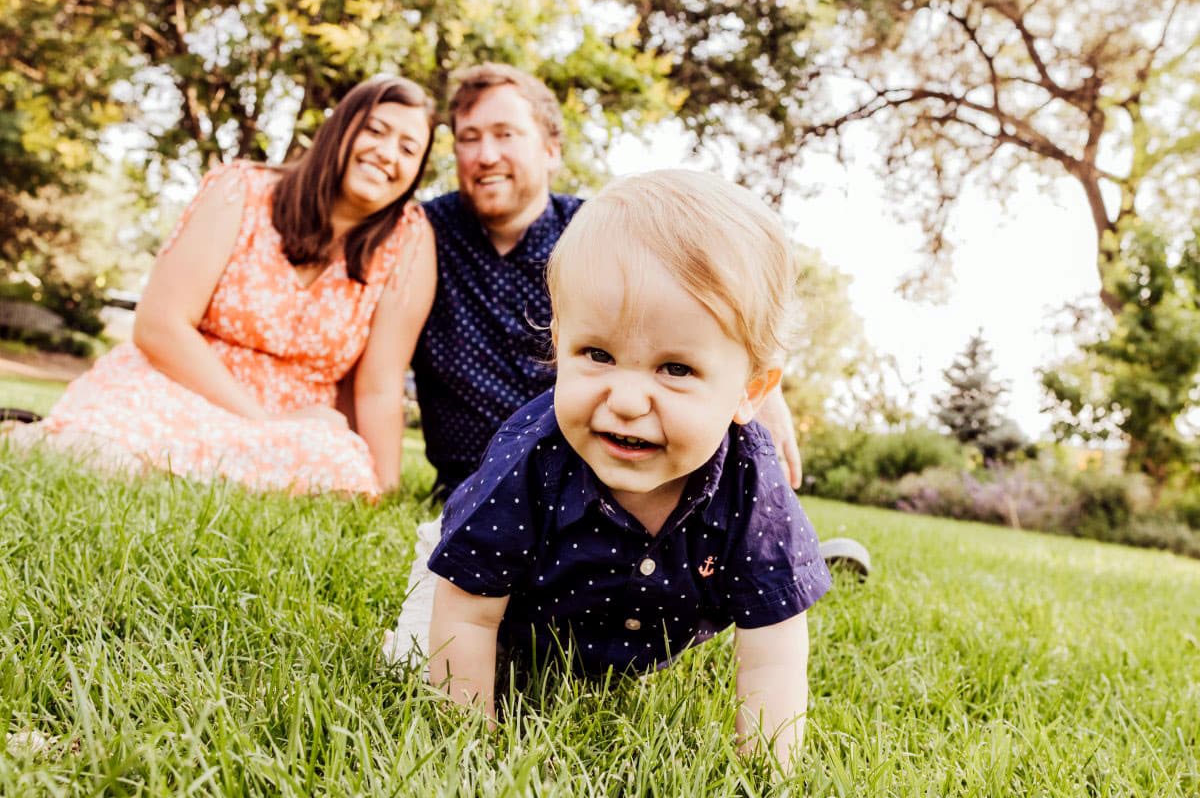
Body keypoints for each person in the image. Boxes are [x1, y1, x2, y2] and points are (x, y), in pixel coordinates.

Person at [388, 170, 832, 768]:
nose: (625, 400)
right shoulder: (532, 457)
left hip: (623, 626)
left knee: (599, 669)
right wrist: (470, 746)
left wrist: (766, 770)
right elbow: (467, 612)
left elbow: (775, 649)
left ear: (749, 392)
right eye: (597, 354)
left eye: (675, 369)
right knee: (419, 655)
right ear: (558, 342)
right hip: (487, 585)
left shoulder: (752, 484)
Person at [6, 76, 437, 497]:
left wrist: (384, 486)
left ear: (417, 170)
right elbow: (161, 325)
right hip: (181, 384)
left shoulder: (408, 240)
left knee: (339, 473)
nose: (386, 153)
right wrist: (260, 423)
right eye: (375, 130)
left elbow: (379, 385)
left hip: (300, 420)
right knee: (100, 453)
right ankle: (34, 435)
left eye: (407, 148)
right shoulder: (242, 191)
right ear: (340, 130)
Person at [412, 63, 804, 499]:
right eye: (469, 138)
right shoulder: (423, 233)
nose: (486, 155)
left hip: (597, 475)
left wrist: (765, 394)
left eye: (506, 134)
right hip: (470, 481)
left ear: (551, 150)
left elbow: (723, 287)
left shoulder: (601, 236)